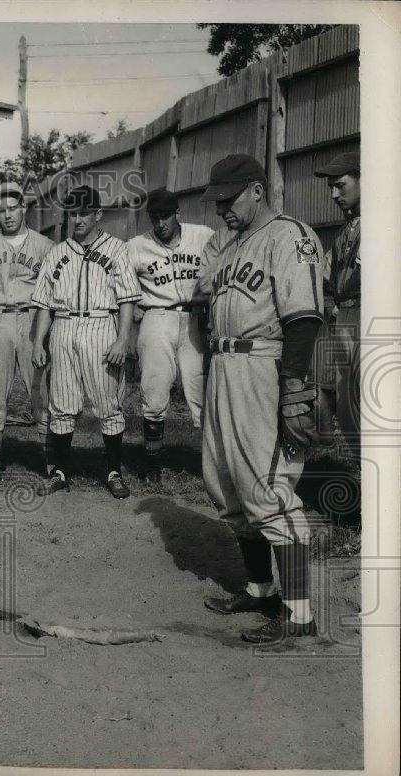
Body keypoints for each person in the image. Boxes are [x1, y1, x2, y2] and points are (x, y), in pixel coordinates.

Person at [197, 154, 322, 644]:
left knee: (268, 486)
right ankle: (260, 586)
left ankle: (299, 615)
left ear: (256, 189)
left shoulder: (289, 235)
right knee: (227, 485)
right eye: (217, 201)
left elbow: (304, 318)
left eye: (229, 199)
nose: (220, 209)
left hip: (263, 369)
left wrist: (292, 388)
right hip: (225, 368)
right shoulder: (231, 247)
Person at [31, 185, 141, 498]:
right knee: (62, 404)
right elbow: (44, 303)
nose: (77, 219)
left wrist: (122, 340)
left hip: (100, 325)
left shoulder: (117, 249)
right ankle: (61, 472)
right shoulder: (57, 251)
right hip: (64, 327)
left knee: (107, 404)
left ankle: (114, 471)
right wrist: (39, 342)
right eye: (73, 213)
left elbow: (127, 299)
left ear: (97, 214)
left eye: (83, 213)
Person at [126, 188, 215, 482]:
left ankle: (212, 466)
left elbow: (224, 265)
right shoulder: (136, 245)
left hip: (194, 317)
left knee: (201, 390)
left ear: (178, 213)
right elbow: (121, 283)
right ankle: (153, 464)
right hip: (157, 316)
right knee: (154, 389)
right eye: (155, 217)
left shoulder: (203, 236)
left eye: (165, 216)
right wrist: (134, 303)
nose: (160, 223)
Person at [0, 181, 54, 477]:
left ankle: (51, 463)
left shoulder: (44, 245)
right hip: (0, 316)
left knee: (41, 388)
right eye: (1, 210)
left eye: (13, 208)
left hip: (32, 318)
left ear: (24, 208)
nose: (7, 215)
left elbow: (52, 287)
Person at [313, 152, 361, 464]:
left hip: (370, 317)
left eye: (341, 185)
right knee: (348, 409)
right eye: (331, 187)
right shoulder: (347, 230)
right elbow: (322, 274)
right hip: (345, 318)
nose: (334, 194)